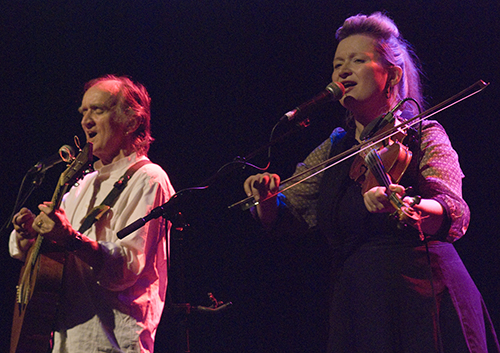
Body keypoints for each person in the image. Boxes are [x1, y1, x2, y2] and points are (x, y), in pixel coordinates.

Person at [243, 12, 500, 353]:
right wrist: (266, 197)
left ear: (392, 75)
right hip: (359, 299)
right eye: (337, 64)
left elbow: (452, 208)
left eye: (358, 60)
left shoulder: (424, 134)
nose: (343, 71)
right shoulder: (337, 144)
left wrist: (411, 206)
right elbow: (288, 207)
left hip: (423, 294)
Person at [10, 75, 175, 352]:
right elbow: (52, 259)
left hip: (110, 344)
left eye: (98, 110)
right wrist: (29, 235)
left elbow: (127, 268)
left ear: (132, 121)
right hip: (65, 343)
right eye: (83, 112)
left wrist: (70, 238)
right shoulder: (81, 184)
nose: (86, 120)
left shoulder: (149, 178)